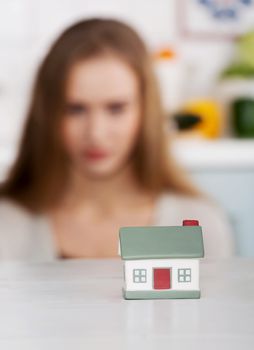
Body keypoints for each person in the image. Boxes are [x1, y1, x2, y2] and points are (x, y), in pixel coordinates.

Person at [0, 18, 234, 261]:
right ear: (48, 113)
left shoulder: (201, 224)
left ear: (146, 110)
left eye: (116, 108)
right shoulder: (6, 223)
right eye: (75, 109)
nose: (96, 133)